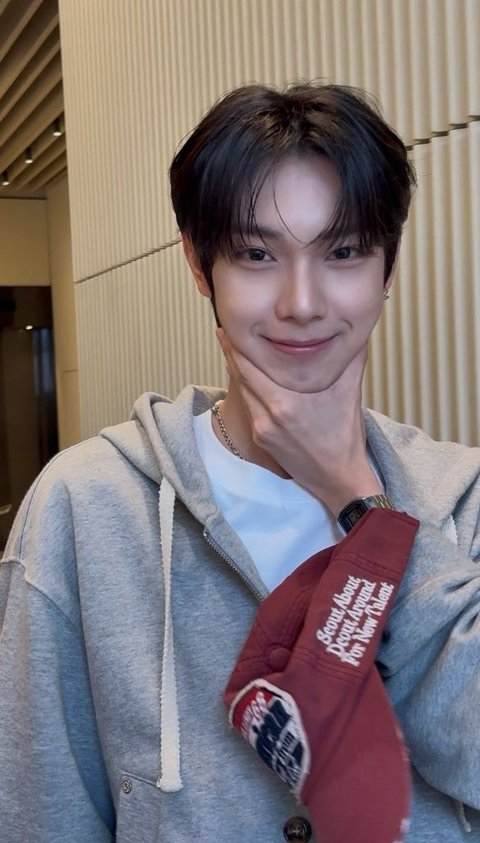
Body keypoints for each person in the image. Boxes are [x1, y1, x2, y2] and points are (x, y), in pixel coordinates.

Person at [0, 81, 479, 843]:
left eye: (343, 252)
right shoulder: (87, 506)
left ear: (388, 267)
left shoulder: (464, 497)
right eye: (257, 254)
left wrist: (359, 501)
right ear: (200, 265)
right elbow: (41, 807)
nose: (301, 301)